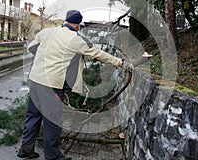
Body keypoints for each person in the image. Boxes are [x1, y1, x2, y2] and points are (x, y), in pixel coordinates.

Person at [17, 10, 133, 160]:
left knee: (33, 116)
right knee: (52, 121)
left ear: (66, 20)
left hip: (35, 80)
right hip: (52, 85)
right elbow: (98, 54)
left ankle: (25, 149)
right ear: (78, 25)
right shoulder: (77, 39)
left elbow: (32, 48)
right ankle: (53, 156)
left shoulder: (47, 32)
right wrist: (121, 63)